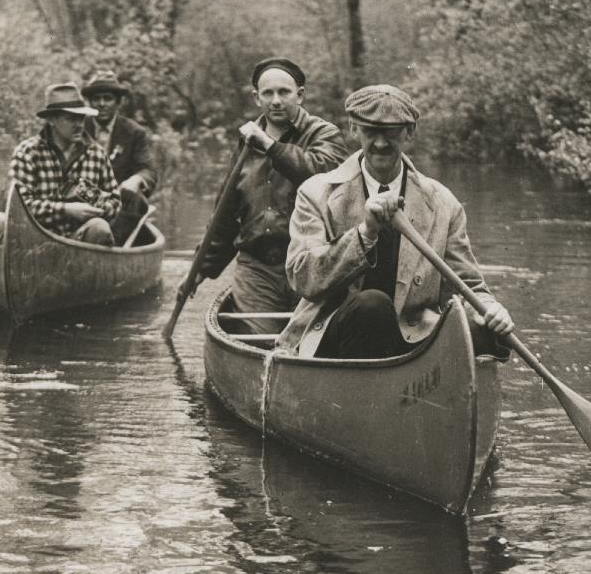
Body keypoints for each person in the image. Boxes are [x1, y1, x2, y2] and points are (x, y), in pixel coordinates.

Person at [276, 83, 514, 359]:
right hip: (332, 335)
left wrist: (490, 309)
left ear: (409, 132)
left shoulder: (443, 202)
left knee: (490, 331)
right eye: (370, 131)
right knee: (372, 306)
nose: (380, 143)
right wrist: (365, 234)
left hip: (414, 337)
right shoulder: (316, 192)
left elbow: (469, 286)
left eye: (390, 132)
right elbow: (303, 278)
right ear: (354, 129)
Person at [198, 57, 348, 334]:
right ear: (257, 98)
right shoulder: (245, 144)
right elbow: (227, 212)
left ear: (300, 95)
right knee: (261, 340)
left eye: (284, 92)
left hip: (312, 264)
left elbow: (326, 175)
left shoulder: (324, 134)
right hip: (257, 268)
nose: (276, 101)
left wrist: (269, 146)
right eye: (268, 93)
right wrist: (202, 267)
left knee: (310, 343)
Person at [0, 82, 122, 246]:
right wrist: (66, 210)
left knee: (100, 228)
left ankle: (90, 271)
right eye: (71, 119)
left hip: (77, 240)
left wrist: (97, 202)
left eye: (81, 118)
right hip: (30, 240)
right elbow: (18, 207)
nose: (79, 125)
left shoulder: (96, 154)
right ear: (52, 119)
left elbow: (115, 202)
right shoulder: (28, 152)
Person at [82, 70, 159, 246]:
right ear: (90, 102)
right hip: (83, 199)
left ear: (118, 102)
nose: (101, 104)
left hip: (119, 206)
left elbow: (149, 170)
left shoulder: (134, 132)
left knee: (136, 200)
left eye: (107, 98)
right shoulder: (78, 128)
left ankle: (113, 247)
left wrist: (136, 180)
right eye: (96, 99)